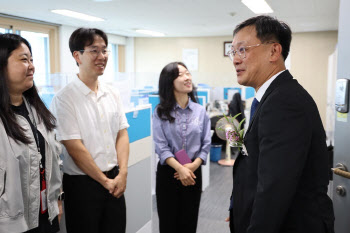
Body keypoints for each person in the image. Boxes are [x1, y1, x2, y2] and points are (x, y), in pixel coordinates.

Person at [226, 16, 334, 233]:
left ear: (274, 51)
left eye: (243, 50)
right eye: (233, 52)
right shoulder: (270, 98)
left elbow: (275, 190)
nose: (236, 59)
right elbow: (259, 167)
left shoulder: (284, 102)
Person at [50, 28, 130, 233]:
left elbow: (122, 134)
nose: (102, 56)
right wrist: (104, 181)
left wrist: (122, 173)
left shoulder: (112, 92)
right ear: (77, 55)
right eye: (94, 51)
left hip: (115, 180)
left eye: (105, 50)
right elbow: (74, 147)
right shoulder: (64, 98)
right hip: (82, 185)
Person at [0, 33, 62, 233]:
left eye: (32, 60)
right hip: (12, 224)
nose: (32, 66)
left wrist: (57, 199)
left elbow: (53, 160)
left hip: (46, 216)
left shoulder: (37, 110)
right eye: (24, 59)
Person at [153, 62, 211, 233]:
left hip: (193, 172)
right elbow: (161, 147)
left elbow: (206, 143)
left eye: (188, 73)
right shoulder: (160, 112)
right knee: (168, 223)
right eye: (181, 74)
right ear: (169, 81)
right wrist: (180, 168)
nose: (187, 78)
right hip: (169, 172)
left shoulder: (200, 111)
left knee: (189, 221)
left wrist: (192, 166)